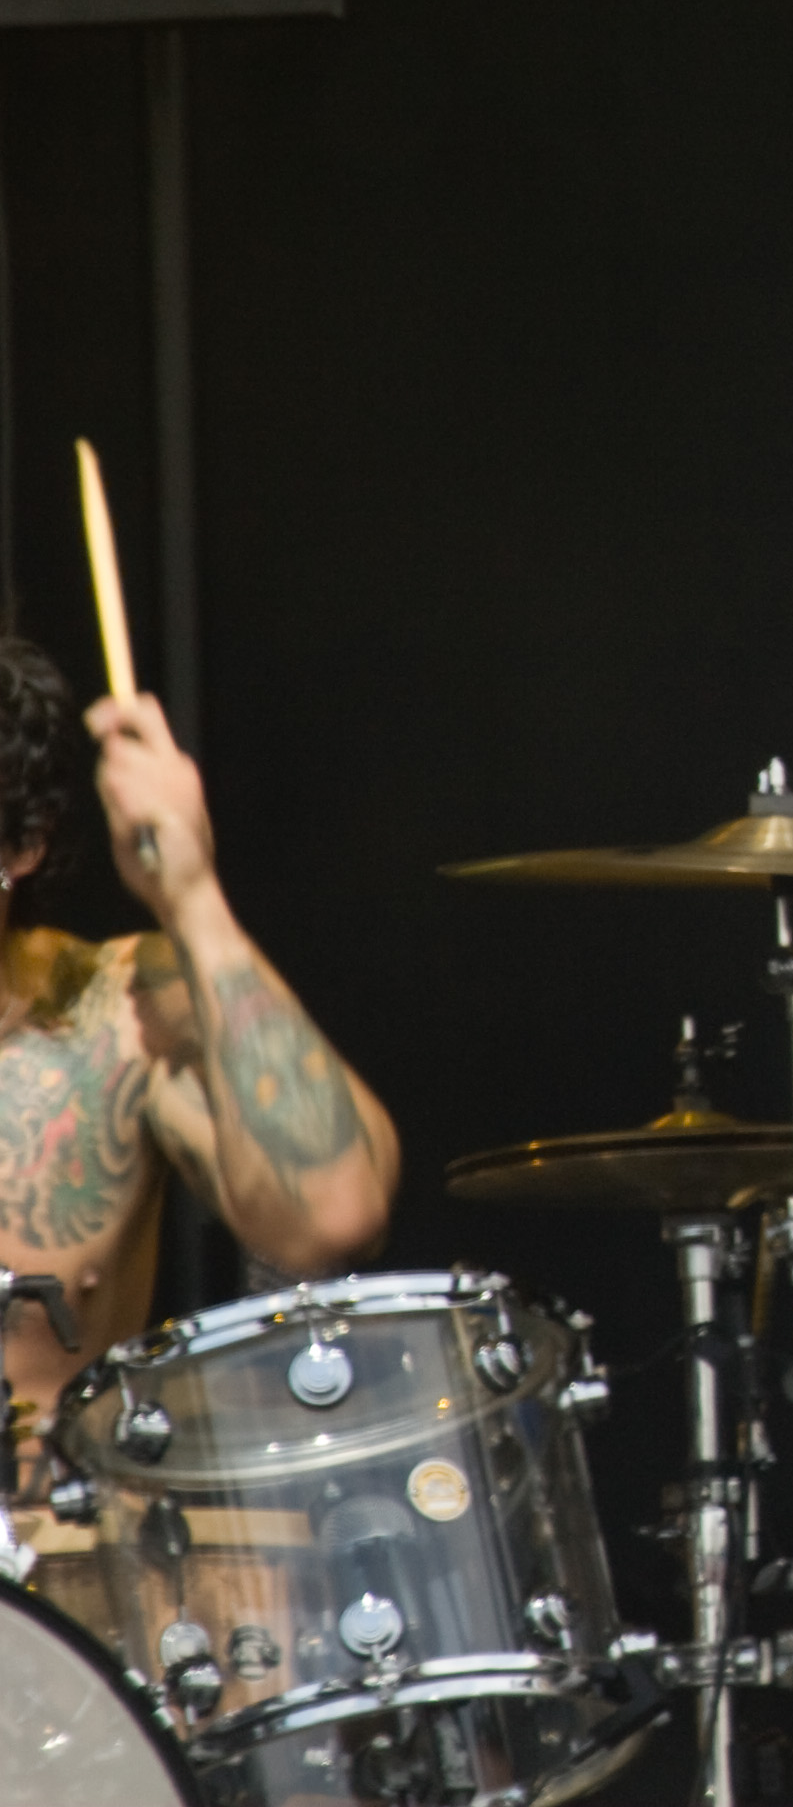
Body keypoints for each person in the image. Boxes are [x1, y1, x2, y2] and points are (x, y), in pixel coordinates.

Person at [0, 636, 398, 1487]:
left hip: (47, 1554)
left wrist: (191, 896)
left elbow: (333, 1216)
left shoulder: (119, 1015)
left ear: (20, 848)